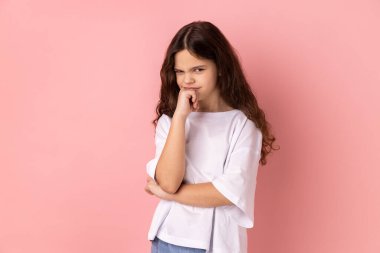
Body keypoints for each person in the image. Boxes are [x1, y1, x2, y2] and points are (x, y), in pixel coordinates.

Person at [144, 20, 278, 253]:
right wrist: (179, 119)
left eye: (198, 69)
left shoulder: (243, 126)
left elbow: (227, 192)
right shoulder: (171, 121)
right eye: (180, 71)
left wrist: (167, 194)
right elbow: (168, 180)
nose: (187, 80)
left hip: (216, 245)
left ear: (221, 68)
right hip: (166, 239)